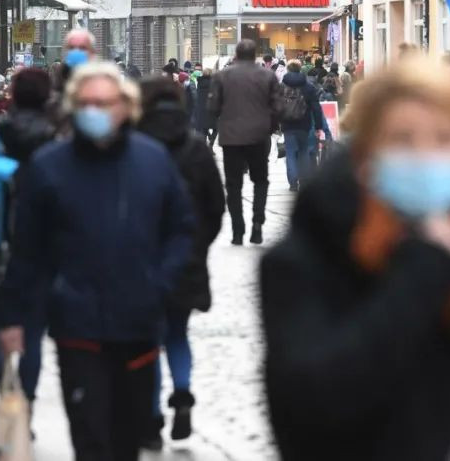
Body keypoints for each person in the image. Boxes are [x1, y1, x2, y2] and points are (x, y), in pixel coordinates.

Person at [260, 58, 450, 460]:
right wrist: (426, 267)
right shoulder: (311, 254)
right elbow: (307, 406)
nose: (424, 155)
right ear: (367, 151)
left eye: (444, 138)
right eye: (402, 139)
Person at [0, 62, 195, 461]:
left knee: (126, 440)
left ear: (125, 107)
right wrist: (14, 314)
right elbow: (27, 246)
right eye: (86, 103)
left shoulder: (152, 160)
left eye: (104, 103)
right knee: (90, 437)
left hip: (138, 322)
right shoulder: (49, 166)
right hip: (78, 324)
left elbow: (181, 228)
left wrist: (160, 282)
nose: (95, 111)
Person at [137, 77, 225, 449]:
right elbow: (216, 205)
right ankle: (183, 392)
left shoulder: (136, 144)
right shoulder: (196, 147)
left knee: (148, 341)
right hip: (187, 253)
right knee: (177, 333)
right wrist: (199, 244)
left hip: (143, 257)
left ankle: (152, 417)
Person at [0, 69, 56, 409]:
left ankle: (3, 383)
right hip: (40, 246)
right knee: (33, 331)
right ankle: (26, 401)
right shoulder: (56, 139)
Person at [208, 39, 281, 245]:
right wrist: (269, 124)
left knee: (233, 184)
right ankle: (257, 222)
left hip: (231, 137)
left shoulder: (222, 76)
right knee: (260, 180)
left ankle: (237, 230)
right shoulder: (267, 76)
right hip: (258, 135)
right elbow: (278, 107)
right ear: (255, 54)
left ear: (236, 55)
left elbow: (212, 107)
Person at [279, 60, 324, 192]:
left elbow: (274, 105)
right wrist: (318, 126)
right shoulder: (308, 87)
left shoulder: (281, 86)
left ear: (288, 69)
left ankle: (293, 183)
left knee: (290, 152)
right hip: (304, 124)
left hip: (287, 125)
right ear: (300, 69)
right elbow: (316, 108)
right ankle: (304, 180)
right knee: (304, 152)